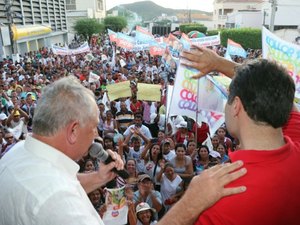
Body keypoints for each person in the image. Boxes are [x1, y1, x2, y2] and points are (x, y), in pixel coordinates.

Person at [181, 46, 300, 224]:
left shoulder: (221, 196)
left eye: (228, 96)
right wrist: (219, 63)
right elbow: (279, 96)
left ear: (236, 105)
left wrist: (189, 205)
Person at [0, 76, 124, 225]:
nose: (96, 134)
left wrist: (99, 177)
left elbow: (62, 181)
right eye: (94, 127)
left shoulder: (18, 151)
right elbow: (56, 191)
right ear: (73, 131)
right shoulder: (61, 204)